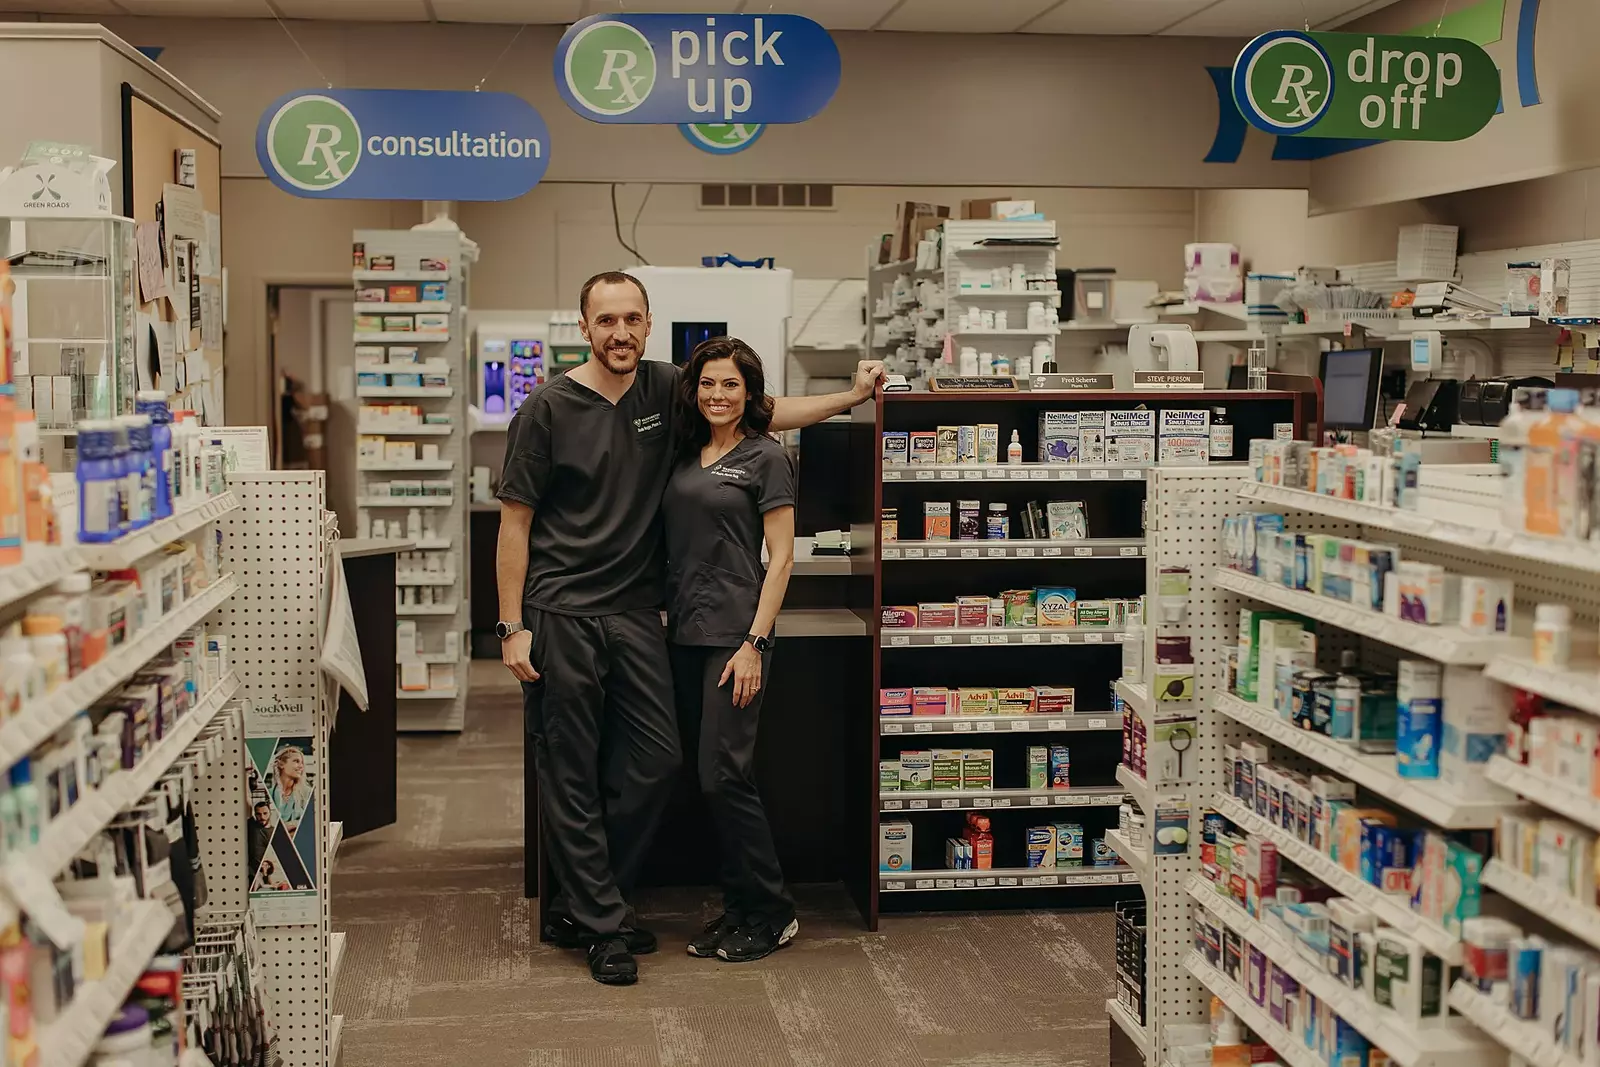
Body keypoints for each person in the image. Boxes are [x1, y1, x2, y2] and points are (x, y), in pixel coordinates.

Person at [496, 270, 882, 985]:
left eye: (632, 318)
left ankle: (587, 899)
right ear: (585, 326)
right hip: (563, 611)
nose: (620, 332)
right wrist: (511, 625)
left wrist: (853, 397)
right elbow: (514, 522)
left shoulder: (665, 389)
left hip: (640, 612)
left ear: (648, 324)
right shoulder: (546, 408)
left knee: (656, 761)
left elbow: (758, 412)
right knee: (572, 767)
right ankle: (605, 924)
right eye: (606, 319)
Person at [664, 337, 798, 964]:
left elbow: (782, 559)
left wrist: (754, 642)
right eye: (709, 384)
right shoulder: (687, 453)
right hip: (684, 635)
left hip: (735, 638)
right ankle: (740, 905)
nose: (718, 396)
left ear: (750, 394)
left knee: (725, 779)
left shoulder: (765, 458)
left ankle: (773, 911)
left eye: (731, 386)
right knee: (704, 778)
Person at [269, 745, 311, 834]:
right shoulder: (269, 793)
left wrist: (292, 824)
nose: (301, 766)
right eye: (296, 761)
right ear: (281, 764)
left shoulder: (307, 793)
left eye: (302, 763)